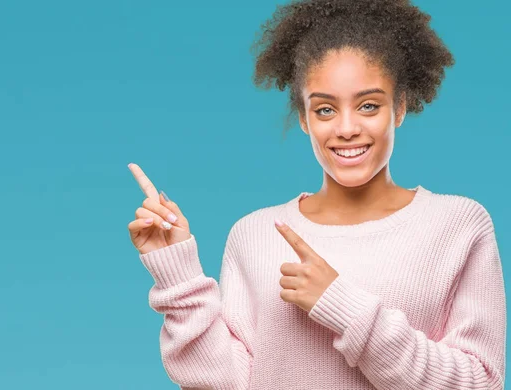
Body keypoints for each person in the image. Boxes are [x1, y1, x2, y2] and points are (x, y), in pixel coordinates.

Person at [127, 0, 506, 388]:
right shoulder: (254, 234)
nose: (346, 128)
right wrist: (178, 273)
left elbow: (481, 382)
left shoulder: (459, 226)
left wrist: (343, 307)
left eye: (369, 106)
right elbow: (226, 382)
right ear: (305, 119)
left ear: (400, 108)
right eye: (325, 110)